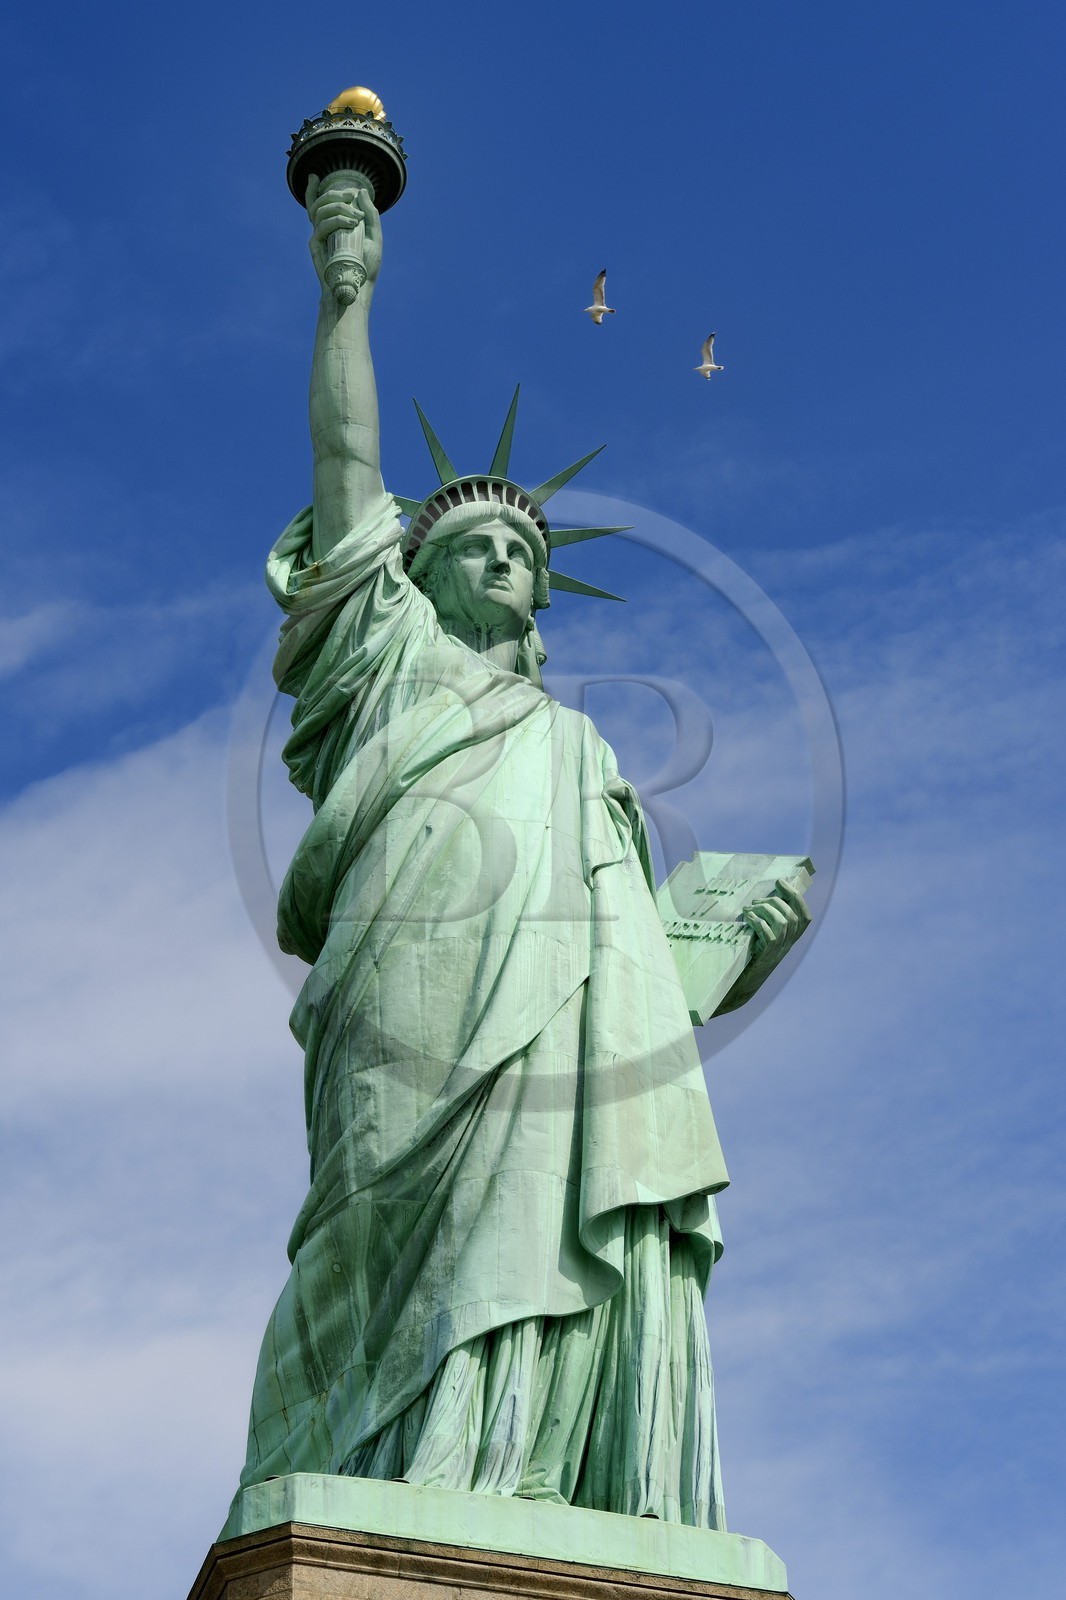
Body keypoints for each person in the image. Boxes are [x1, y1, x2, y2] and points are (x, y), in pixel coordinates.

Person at [237, 171, 809, 1528]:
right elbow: (347, 463)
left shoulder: (581, 750)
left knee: (557, 1197)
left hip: (568, 1018)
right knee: (381, 1217)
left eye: (520, 551)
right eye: (474, 543)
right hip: (414, 975)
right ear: (409, 574)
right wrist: (345, 293)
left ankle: (526, 1465)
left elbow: (631, 967)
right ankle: (387, 1462)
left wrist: (720, 941)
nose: (501, 561)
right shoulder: (383, 662)